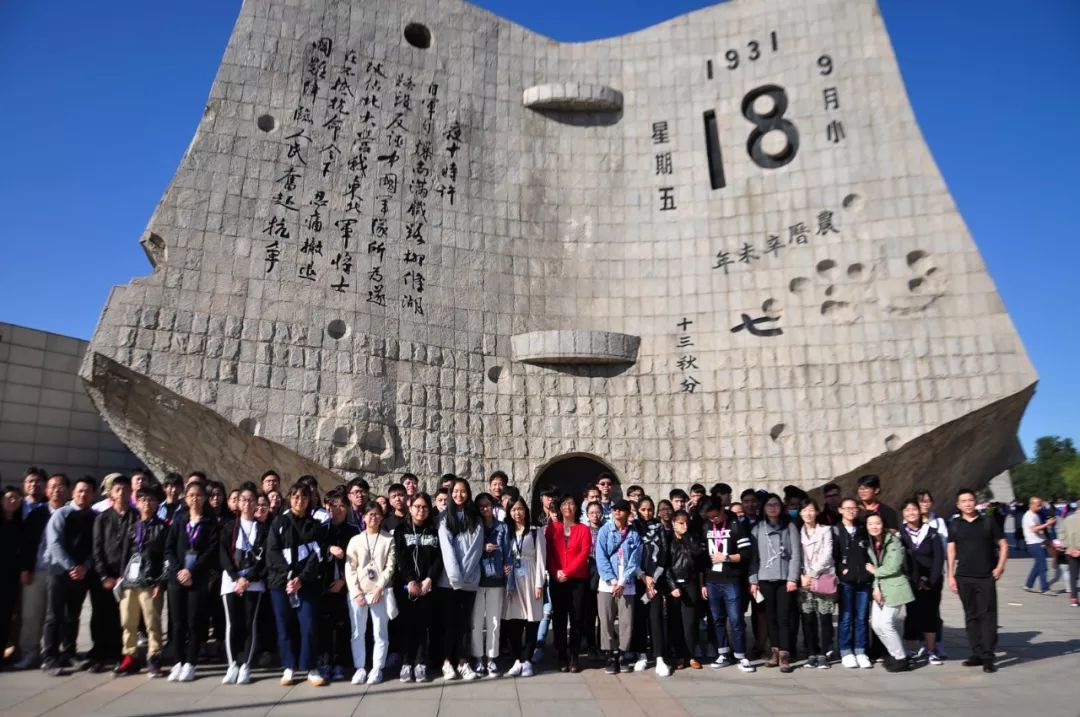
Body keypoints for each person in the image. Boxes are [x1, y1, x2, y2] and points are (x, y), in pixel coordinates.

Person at [267, 482, 326, 686]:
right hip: (281, 585)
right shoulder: (278, 523)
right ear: (289, 499)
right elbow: (272, 553)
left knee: (308, 625)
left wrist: (301, 578)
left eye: (303, 497)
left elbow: (317, 555)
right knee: (285, 626)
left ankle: (310, 666)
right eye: (295, 497)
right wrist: (289, 576)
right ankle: (289, 666)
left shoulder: (314, 526)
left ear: (310, 499)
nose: (299, 501)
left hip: (306, 584)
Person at [41, 476, 100, 675]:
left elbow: (96, 547)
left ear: (93, 495)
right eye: (80, 490)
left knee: (72, 615)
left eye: (87, 491)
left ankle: (69, 652)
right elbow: (54, 544)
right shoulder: (61, 514)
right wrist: (71, 566)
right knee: (53, 615)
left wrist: (85, 566)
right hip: (59, 572)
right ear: (73, 492)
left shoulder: (95, 517)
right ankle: (49, 657)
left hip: (81, 574)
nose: (83, 494)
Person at [166, 480, 221, 682]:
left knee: (194, 622)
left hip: (197, 579)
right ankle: (177, 662)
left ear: (204, 498)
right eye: (191, 496)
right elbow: (169, 548)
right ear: (186, 498)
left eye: (199, 495)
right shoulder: (179, 519)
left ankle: (191, 662)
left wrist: (192, 571)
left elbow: (211, 551)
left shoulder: (210, 522)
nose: (195, 499)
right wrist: (179, 570)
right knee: (177, 623)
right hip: (176, 578)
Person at [947, 488, 1007, 673]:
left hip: (985, 576)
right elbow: (951, 550)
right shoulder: (955, 525)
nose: (967, 503)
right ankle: (977, 653)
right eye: (963, 501)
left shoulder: (988, 522)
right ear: (958, 505)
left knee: (988, 616)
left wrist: (1000, 566)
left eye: (970, 500)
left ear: (975, 502)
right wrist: (950, 574)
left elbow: (1003, 544)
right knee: (971, 615)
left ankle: (988, 656)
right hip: (964, 576)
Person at [14, 472, 69, 670]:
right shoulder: (37, 513)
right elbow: (27, 544)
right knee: (31, 614)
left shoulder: (71, 513)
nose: (57, 489)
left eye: (61, 486)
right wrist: (25, 568)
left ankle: (52, 652)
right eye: (53, 486)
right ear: (47, 490)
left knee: (56, 615)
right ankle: (30, 653)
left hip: (62, 573)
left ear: (67, 490)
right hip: (37, 570)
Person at [115, 486, 169, 677]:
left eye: (150, 500)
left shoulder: (163, 527)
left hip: (150, 582)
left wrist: (161, 581)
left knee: (152, 623)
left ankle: (154, 657)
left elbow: (166, 557)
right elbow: (124, 555)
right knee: (128, 622)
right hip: (130, 582)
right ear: (137, 503)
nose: (146, 503)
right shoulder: (131, 527)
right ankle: (130, 656)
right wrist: (120, 580)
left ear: (156, 504)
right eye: (143, 500)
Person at [219, 482, 269, 685]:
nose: (247, 503)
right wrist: (235, 577)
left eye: (251, 500)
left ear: (256, 503)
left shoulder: (263, 529)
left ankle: (246, 666)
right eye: (243, 500)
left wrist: (248, 579)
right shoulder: (230, 526)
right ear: (237, 503)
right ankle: (233, 665)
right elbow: (222, 553)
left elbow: (265, 558)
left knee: (250, 624)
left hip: (253, 584)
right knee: (233, 624)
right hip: (231, 582)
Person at [436, 477, 483, 681]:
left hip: (470, 581)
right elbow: (446, 550)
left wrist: (465, 576)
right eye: (455, 491)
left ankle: (464, 662)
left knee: (465, 624)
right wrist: (456, 577)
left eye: (463, 491)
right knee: (448, 623)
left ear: (468, 493)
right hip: (448, 582)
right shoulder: (444, 518)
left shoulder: (475, 518)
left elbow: (476, 549)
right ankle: (447, 662)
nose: (459, 495)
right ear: (450, 493)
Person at [345, 501, 396, 685]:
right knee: (358, 632)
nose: (373, 518)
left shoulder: (388, 539)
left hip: (378, 592)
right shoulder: (355, 540)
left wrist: (380, 587)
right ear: (364, 517)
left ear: (382, 517)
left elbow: (390, 566)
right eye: (370, 514)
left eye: (376, 514)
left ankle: (377, 668)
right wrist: (356, 592)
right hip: (358, 592)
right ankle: (360, 667)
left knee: (380, 632)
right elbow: (350, 568)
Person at [748, 493, 801, 673]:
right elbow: (753, 558)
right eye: (769, 505)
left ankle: (785, 654)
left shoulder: (790, 526)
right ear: (763, 508)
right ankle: (774, 650)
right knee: (770, 617)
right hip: (765, 578)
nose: (773, 508)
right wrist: (753, 580)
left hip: (785, 579)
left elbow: (796, 554)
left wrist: (793, 578)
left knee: (784, 617)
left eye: (776, 504)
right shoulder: (757, 529)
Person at [701, 497, 754, 673]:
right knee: (717, 619)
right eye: (710, 517)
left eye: (715, 516)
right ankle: (723, 653)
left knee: (736, 619)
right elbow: (701, 556)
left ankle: (741, 655)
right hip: (711, 580)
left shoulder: (735, 525)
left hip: (731, 579)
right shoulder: (706, 526)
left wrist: (726, 557)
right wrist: (702, 582)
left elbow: (746, 554)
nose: (713, 520)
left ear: (722, 510)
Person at [394, 492, 442, 683]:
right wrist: (410, 580)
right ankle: (406, 662)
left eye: (424, 507)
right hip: (407, 587)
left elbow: (439, 558)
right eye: (417, 506)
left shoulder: (434, 530)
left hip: (427, 586)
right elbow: (401, 557)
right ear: (410, 507)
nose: (421, 510)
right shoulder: (401, 530)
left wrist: (429, 579)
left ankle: (421, 661)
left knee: (423, 626)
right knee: (407, 626)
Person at [91, 474, 134, 671]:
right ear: (112, 494)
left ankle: (120, 655)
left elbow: (137, 550)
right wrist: (103, 575)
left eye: (126, 489)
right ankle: (100, 654)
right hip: (105, 577)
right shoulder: (102, 518)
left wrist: (126, 577)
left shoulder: (136, 518)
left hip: (127, 578)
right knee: (101, 616)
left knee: (123, 619)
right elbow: (97, 549)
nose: (122, 493)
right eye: (118, 490)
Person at [546, 493, 592, 673]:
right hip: (557, 579)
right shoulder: (553, 528)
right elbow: (547, 552)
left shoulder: (583, 529)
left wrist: (567, 571)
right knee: (558, 618)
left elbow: (584, 553)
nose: (567, 507)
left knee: (577, 618)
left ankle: (574, 655)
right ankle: (561, 654)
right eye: (564, 504)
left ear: (576, 507)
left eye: (571, 504)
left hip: (577, 580)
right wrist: (555, 570)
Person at [503, 495, 547, 677]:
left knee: (531, 620)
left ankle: (527, 660)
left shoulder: (536, 531)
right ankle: (517, 660)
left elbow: (541, 559)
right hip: (512, 580)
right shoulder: (506, 531)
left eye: (520, 509)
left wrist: (539, 583)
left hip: (530, 578)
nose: (517, 513)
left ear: (526, 510)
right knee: (513, 621)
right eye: (513, 509)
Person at [596, 499, 640, 674]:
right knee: (606, 619)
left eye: (621, 510)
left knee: (626, 621)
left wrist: (622, 582)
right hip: (607, 584)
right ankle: (609, 654)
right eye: (615, 509)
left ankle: (622, 653)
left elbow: (634, 560)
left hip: (626, 584)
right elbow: (600, 557)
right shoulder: (605, 531)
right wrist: (613, 580)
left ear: (628, 513)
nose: (617, 512)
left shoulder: (633, 534)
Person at [319, 489, 359, 681]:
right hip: (324, 585)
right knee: (325, 626)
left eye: (342, 506)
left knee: (343, 625)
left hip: (345, 585)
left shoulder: (354, 530)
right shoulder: (322, 528)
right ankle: (326, 662)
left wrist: (344, 581)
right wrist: (328, 548)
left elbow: (359, 560)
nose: (338, 510)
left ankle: (340, 663)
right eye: (334, 506)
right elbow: (314, 551)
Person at [898, 498, 944, 665]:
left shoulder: (931, 533)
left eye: (914, 509)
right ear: (903, 514)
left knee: (930, 616)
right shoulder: (900, 534)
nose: (911, 513)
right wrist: (914, 580)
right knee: (912, 615)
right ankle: (910, 650)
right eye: (907, 510)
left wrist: (930, 581)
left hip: (931, 582)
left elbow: (939, 559)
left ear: (920, 512)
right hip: (910, 582)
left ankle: (931, 651)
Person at [865, 513, 913, 672]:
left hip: (895, 587)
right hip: (880, 587)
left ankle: (901, 658)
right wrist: (876, 587)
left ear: (883, 524)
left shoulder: (893, 541)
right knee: (876, 625)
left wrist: (874, 571)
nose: (874, 527)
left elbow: (893, 566)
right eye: (870, 524)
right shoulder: (872, 543)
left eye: (877, 523)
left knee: (886, 623)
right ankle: (894, 654)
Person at [471, 492, 510, 677]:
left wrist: (507, 571)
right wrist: (482, 548)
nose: (485, 509)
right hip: (477, 579)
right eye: (481, 506)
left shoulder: (502, 527)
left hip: (496, 579)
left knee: (494, 621)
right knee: (477, 621)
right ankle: (478, 657)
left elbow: (509, 552)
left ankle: (491, 658)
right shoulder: (473, 527)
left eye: (488, 505)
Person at [631, 496, 670, 675]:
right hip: (638, 580)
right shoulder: (633, 528)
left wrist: (653, 579)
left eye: (650, 509)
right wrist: (643, 577)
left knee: (655, 618)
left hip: (656, 581)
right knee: (639, 618)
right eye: (643, 509)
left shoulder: (659, 527)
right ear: (638, 510)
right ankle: (641, 655)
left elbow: (663, 554)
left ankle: (660, 657)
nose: (647, 513)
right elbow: (632, 554)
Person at [833, 497, 873, 668]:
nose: (850, 510)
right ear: (840, 510)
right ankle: (845, 650)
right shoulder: (835, 530)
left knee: (862, 617)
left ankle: (860, 650)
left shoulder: (863, 529)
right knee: (846, 616)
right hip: (845, 581)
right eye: (846, 508)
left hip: (863, 580)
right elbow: (832, 555)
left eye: (853, 508)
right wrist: (841, 569)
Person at [665, 509, 706, 670]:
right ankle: (679, 655)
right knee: (676, 622)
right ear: (674, 523)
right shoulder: (668, 540)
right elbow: (666, 565)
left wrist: (688, 537)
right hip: (674, 584)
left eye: (686, 523)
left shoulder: (693, 538)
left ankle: (691, 655)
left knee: (690, 622)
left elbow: (698, 555)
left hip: (690, 583)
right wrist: (672, 586)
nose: (684, 526)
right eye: (681, 523)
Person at [798, 498, 836, 669]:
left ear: (817, 512)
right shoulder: (797, 532)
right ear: (800, 513)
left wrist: (811, 574)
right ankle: (812, 652)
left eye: (811, 510)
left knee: (825, 618)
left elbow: (827, 555)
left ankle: (824, 653)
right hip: (803, 581)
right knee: (808, 618)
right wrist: (801, 575)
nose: (808, 513)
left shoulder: (826, 530)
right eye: (805, 510)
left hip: (822, 578)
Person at [0, 486, 24, 667]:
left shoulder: (19, 524)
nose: (13, 501)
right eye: (9, 498)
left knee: (7, 616)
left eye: (16, 498)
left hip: (11, 578)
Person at [1021, 496, 1055, 594]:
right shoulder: (1029, 516)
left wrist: (1047, 541)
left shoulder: (1035, 514)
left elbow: (1039, 531)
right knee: (1042, 566)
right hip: (1034, 543)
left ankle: (1028, 585)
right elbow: (1034, 529)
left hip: (1039, 542)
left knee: (1037, 565)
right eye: (1038, 505)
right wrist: (1047, 524)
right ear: (1031, 505)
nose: (1040, 507)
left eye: (1040, 505)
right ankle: (1044, 588)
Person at [1059, 507, 1080, 607]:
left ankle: (1074, 598)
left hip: (1071, 551)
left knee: (1073, 575)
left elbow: (1061, 535)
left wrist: (1068, 547)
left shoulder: (1067, 519)